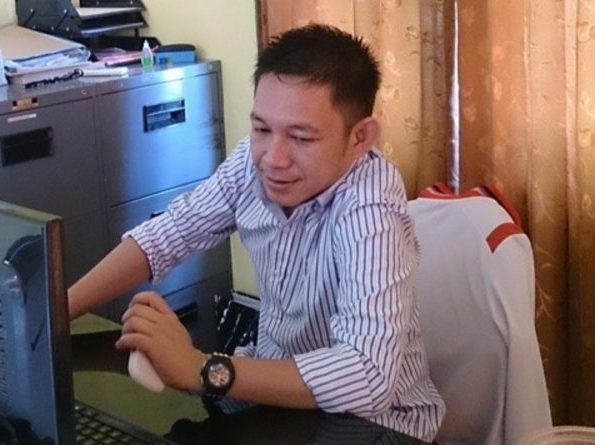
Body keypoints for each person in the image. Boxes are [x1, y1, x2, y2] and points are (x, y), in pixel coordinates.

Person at [67, 23, 445, 441]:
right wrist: (54, 312)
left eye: (301, 137)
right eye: (262, 129)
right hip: (273, 396)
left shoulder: (371, 210)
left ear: (360, 138)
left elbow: (368, 376)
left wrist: (202, 369)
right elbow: (167, 235)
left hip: (375, 425)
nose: (274, 159)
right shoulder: (254, 161)